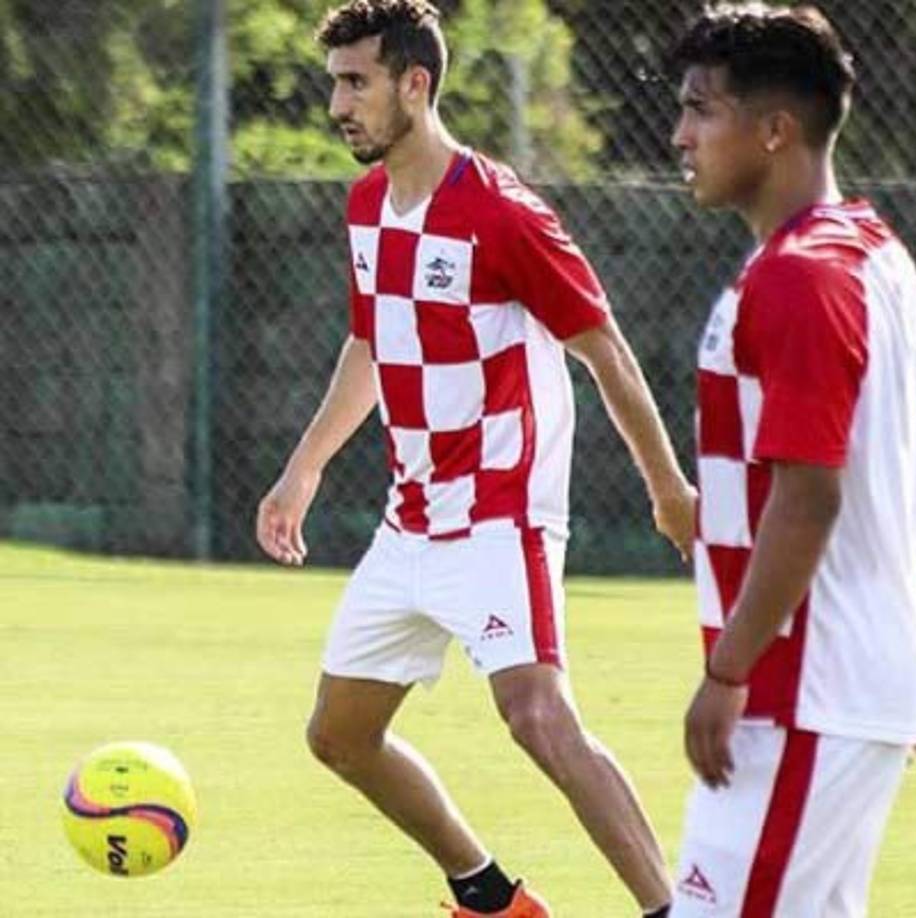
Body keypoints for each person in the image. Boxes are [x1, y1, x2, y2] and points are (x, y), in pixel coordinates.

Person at [255, 2, 693, 916]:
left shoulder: (502, 212)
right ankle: (490, 898)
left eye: (356, 83)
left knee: (538, 718)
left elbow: (605, 350)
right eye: (334, 83)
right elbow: (371, 343)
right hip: (409, 523)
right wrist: (305, 468)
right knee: (339, 738)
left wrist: (669, 490)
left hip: (500, 516)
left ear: (415, 84)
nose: (337, 105)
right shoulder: (366, 206)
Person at [667, 4, 916, 916]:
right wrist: (896, 637)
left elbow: (809, 496)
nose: (680, 136)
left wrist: (728, 671)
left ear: (775, 130)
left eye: (701, 109)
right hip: (843, 682)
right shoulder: (876, 255)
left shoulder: (798, 275)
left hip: (803, 690)